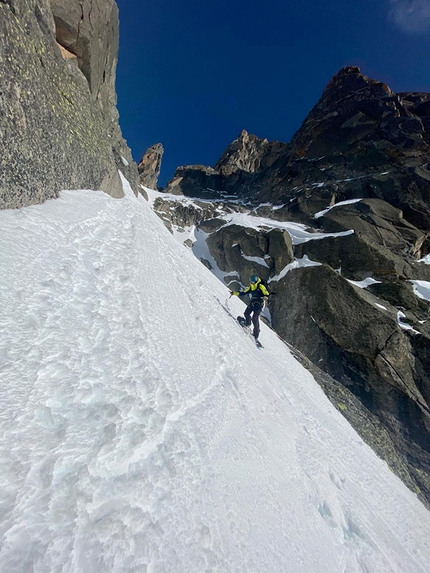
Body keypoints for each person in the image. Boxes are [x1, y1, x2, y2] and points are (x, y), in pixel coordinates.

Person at [230, 275, 269, 340]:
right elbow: (243, 293)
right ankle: (247, 323)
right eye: (251, 281)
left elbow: (266, 293)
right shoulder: (251, 287)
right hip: (253, 303)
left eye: (253, 281)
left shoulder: (261, 286)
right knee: (246, 313)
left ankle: (256, 334)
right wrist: (234, 293)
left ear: (256, 281)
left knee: (255, 318)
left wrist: (265, 298)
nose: (251, 283)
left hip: (259, 304)